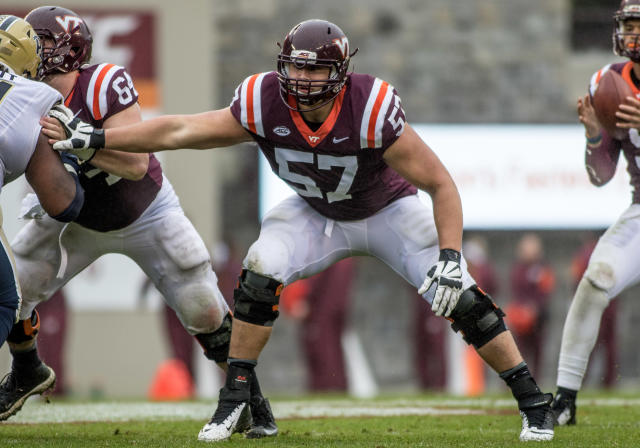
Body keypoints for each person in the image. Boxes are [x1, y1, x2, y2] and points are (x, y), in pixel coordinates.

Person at [46, 19, 555, 442]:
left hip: (387, 212)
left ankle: (533, 401)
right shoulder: (262, 101)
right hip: (314, 213)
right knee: (261, 267)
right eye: (296, 67)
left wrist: (449, 256)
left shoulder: (370, 107)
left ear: (340, 73)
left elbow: (441, 183)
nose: (304, 80)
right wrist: (100, 136)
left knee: (462, 296)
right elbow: (181, 130)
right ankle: (236, 400)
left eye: (316, 70)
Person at [0, 7, 276, 438]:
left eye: (45, 41)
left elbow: (133, 164)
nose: (36, 49)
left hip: (144, 211)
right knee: (14, 290)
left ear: (72, 50)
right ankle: (26, 368)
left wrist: (82, 143)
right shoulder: (21, 93)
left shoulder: (104, 83)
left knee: (202, 305)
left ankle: (250, 400)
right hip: (73, 219)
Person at [549, 0, 640, 426]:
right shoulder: (611, 82)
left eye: (638, 26)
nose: (631, 34)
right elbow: (601, 175)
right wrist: (593, 134)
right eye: (628, 25)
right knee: (594, 280)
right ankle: (565, 399)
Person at [0, 13, 84, 394]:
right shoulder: (35, 96)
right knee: (6, 300)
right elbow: (64, 203)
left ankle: (29, 369)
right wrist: (71, 157)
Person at [280, 258, 355, 392]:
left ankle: (327, 390)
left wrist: (302, 299)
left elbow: (313, 278)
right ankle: (337, 389)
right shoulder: (344, 253)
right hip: (334, 310)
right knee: (333, 354)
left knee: (323, 356)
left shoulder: (327, 252)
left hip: (320, 311)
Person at [507, 233, 555, 377]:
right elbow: (515, 291)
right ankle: (516, 381)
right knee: (518, 351)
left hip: (538, 318)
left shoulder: (543, 268)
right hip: (521, 318)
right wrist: (523, 309)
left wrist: (536, 308)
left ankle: (536, 381)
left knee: (538, 352)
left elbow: (547, 290)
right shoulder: (517, 269)